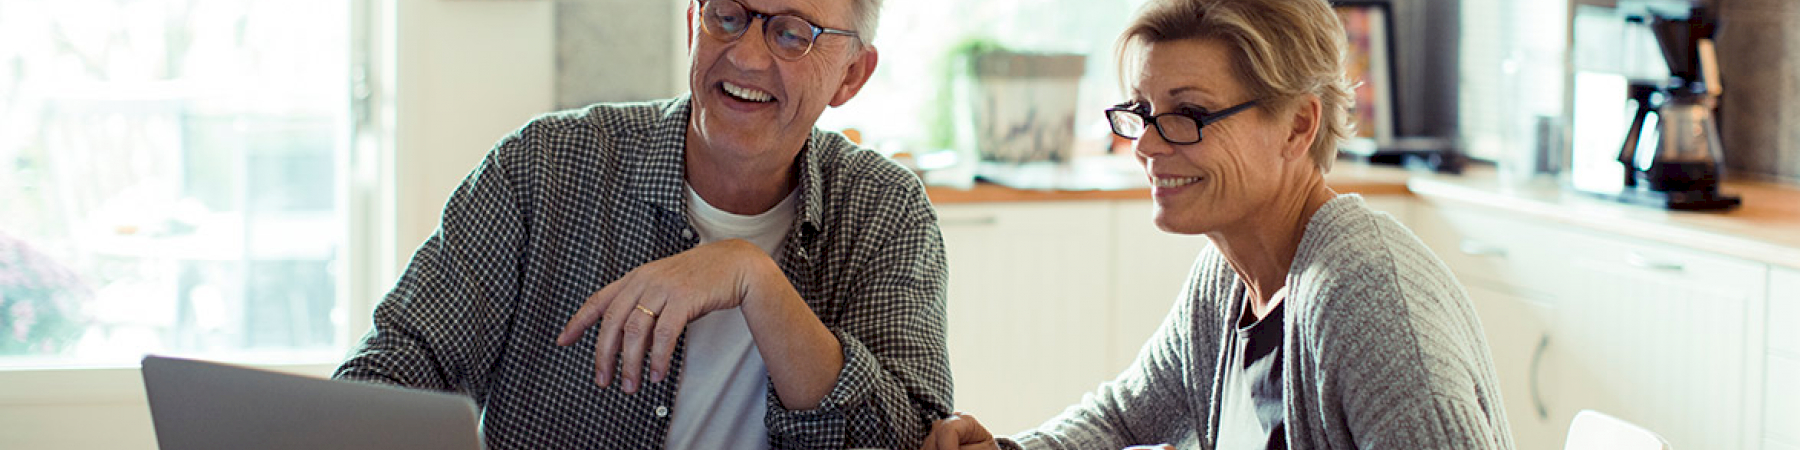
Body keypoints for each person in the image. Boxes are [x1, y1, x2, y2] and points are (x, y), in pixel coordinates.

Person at [333, 1, 953, 449]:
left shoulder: (884, 209)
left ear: (852, 74)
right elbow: (392, 372)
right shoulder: (543, 167)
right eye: (727, 16)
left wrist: (756, 280)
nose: (746, 55)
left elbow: (911, 438)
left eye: (792, 34)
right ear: (692, 20)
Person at [923, 0, 1513, 448]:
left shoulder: (1367, 295)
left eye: (1190, 114)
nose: (1147, 146)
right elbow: (1123, 414)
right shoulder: (1228, 279)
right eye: (1145, 113)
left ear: (1298, 127)